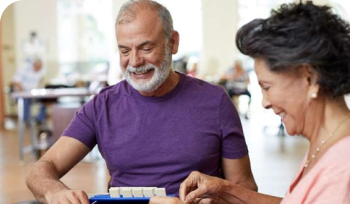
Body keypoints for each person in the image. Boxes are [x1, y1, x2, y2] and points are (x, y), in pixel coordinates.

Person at [25, 0, 257, 203]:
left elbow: (245, 190)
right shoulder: (101, 106)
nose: (134, 61)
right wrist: (54, 192)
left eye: (146, 48)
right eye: (124, 51)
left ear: (173, 43)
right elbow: (40, 171)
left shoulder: (215, 102)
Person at [150, 1, 350, 204]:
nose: (264, 102)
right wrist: (225, 191)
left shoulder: (342, 169)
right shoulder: (326, 144)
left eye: (267, 87)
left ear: (310, 78)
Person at [12, 57, 47, 124]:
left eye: (40, 67)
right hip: (23, 93)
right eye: (38, 67)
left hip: (34, 93)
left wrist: (40, 87)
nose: (39, 69)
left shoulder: (41, 70)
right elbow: (15, 81)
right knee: (26, 101)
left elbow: (40, 80)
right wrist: (23, 92)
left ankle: (40, 119)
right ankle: (26, 120)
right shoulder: (24, 69)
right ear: (34, 65)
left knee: (44, 100)